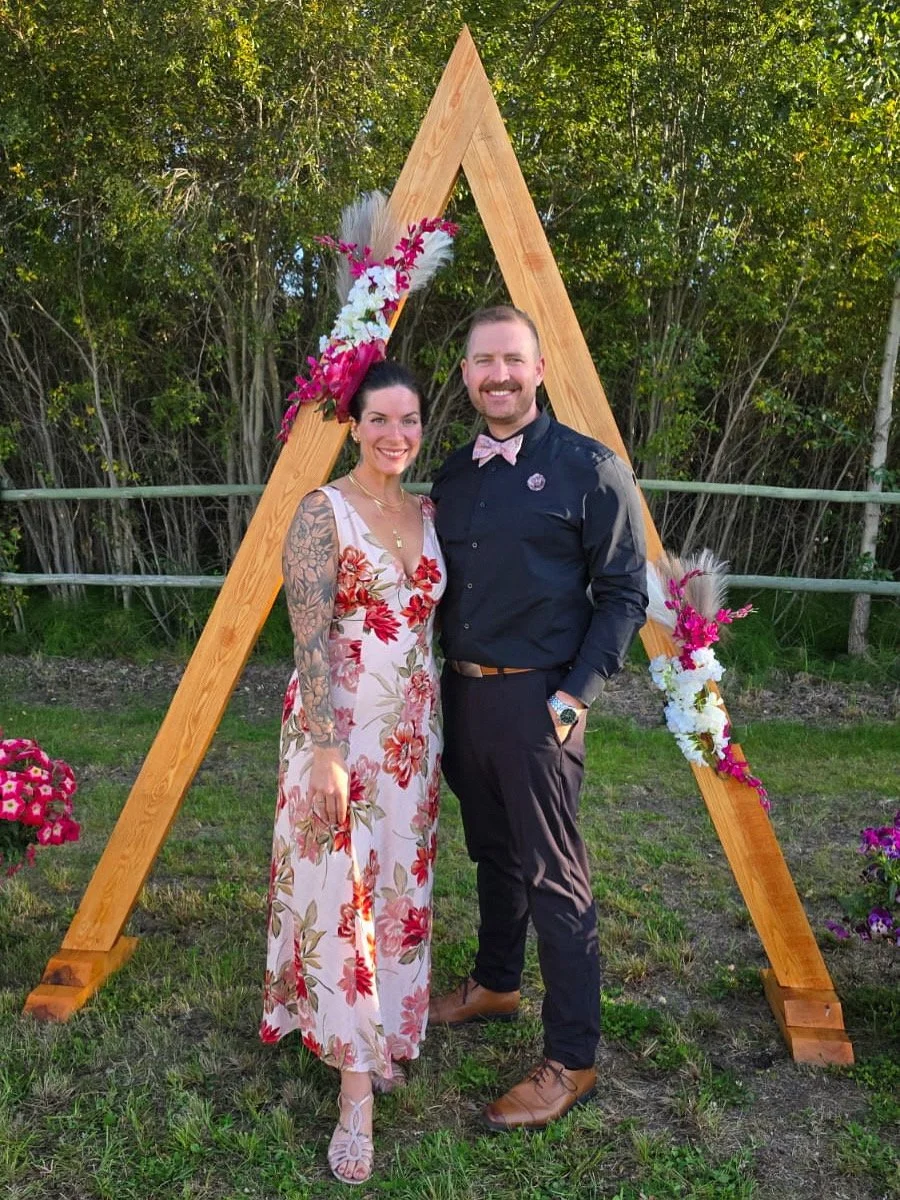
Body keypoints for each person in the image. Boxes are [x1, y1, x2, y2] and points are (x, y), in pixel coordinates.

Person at [429, 305, 648, 1131]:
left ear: (540, 367)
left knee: (554, 876)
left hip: (540, 701)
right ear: (466, 375)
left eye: (513, 360)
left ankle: (573, 1057)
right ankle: (495, 982)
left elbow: (624, 593)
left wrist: (575, 695)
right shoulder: (453, 474)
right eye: (484, 362)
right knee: (491, 850)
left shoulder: (589, 470)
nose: (499, 376)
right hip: (463, 696)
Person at [261, 360, 445, 1185]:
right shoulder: (321, 511)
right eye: (379, 420)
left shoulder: (429, 509)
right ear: (354, 424)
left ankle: (383, 1033)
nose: (395, 435)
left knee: (399, 886)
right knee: (343, 894)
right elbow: (306, 637)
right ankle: (355, 1092)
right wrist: (327, 748)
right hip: (337, 731)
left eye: (408, 420)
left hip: (413, 731)